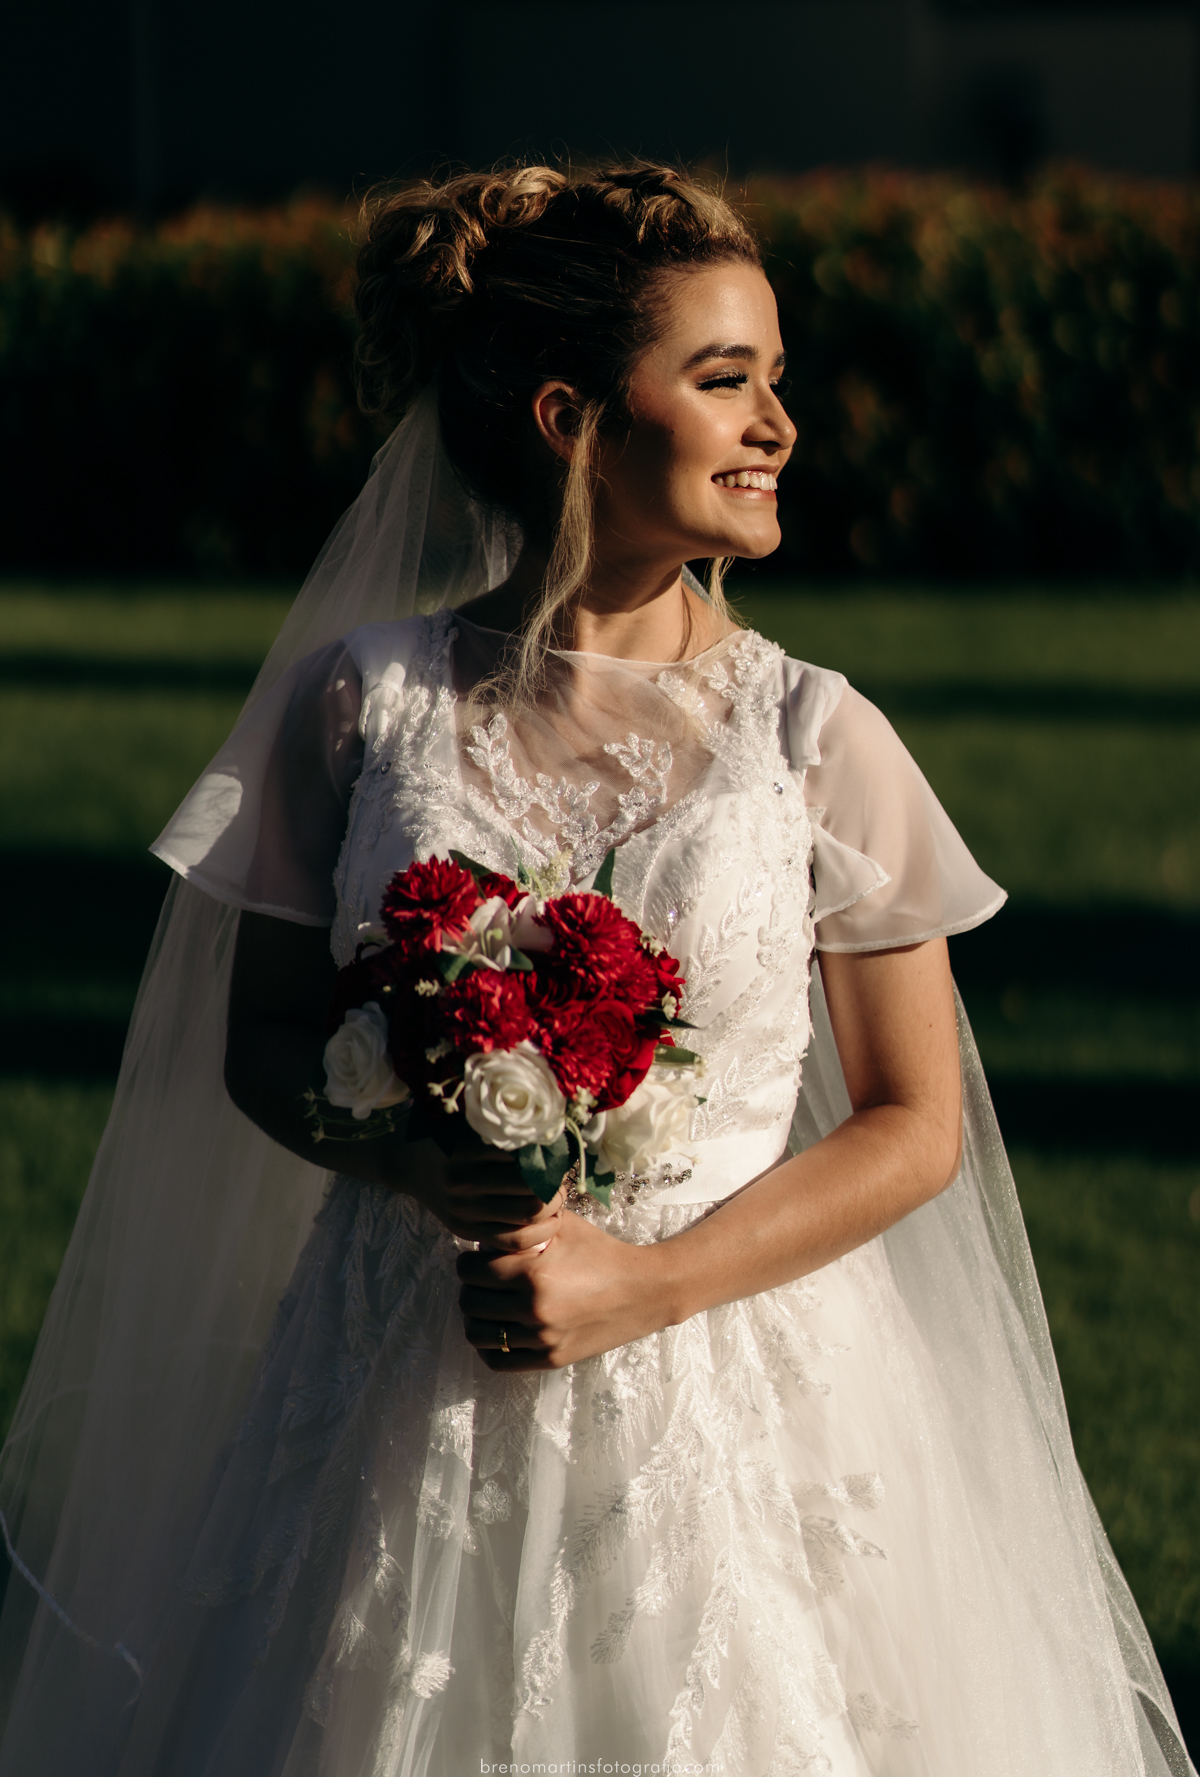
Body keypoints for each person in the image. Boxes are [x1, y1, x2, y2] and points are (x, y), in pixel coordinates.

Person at [0, 163, 1191, 1777]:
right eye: (723, 381)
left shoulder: (813, 735)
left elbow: (915, 1121)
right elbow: (266, 1036)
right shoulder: (367, 707)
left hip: (739, 1366)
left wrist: (644, 1282)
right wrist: (418, 1151)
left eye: (777, 377)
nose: (777, 421)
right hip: (406, 1364)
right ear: (569, 418)